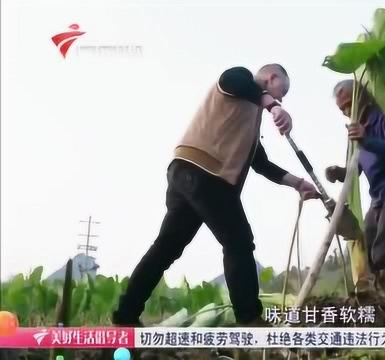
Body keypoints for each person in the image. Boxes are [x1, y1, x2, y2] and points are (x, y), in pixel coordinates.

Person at [112, 64, 320, 327]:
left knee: (166, 248)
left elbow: (260, 162)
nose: (281, 99)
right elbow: (234, 81)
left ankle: (125, 314)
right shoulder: (241, 79)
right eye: (282, 92)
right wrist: (273, 106)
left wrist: (298, 184)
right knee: (239, 242)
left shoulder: (250, 115)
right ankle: (250, 317)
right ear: (272, 77)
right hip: (206, 173)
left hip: (187, 174)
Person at [325, 79, 385, 329]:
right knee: (371, 256)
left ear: (362, 97)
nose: (347, 111)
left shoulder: (382, 119)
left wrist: (367, 139)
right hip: (379, 199)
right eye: (342, 109)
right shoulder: (358, 130)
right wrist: (341, 171)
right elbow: (358, 166)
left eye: (348, 105)